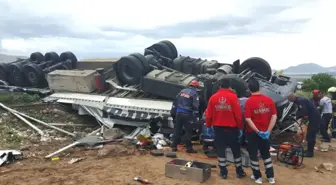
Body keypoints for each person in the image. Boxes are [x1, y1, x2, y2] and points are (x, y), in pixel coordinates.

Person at [206, 78, 246, 179]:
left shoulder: (213, 98)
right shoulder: (233, 97)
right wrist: (240, 127)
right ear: (230, 86)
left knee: (220, 149)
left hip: (218, 128)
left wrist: (208, 125)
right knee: (235, 149)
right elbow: (237, 115)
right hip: (232, 129)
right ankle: (239, 171)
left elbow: (209, 114)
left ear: (220, 86)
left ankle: (223, 172)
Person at [244, 78, 277, 184]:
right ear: (260, 87)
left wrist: (257, 131)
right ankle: (271, 177)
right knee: (266, 154)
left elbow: (248, 119)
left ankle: (258, 177)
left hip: (252, 133)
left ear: (249, 89)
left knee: (253, 155)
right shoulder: (268, 100)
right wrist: (268, 131)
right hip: (266, 133)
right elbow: (274, 116)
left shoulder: (249, 102)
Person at [287, 93, 321, 157]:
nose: (290, 101)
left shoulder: (300, 101)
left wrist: (297, 117)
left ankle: (310, 153)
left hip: (314, 118)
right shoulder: (300, 99)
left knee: (310, 135)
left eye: (290, 100)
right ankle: (309, 150)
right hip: (314, 117)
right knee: (310, 134)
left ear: (292, 98)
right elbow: (301, 110)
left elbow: (304, 111)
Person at [171, 80, 200, 153]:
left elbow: (175, 100)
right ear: (196, 87)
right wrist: (196, 114)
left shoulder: (182, 91)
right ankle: (189, 148)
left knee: (177, 130)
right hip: (187, 114)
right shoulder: (194, 93)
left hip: (178, 113)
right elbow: (195, 106)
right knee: (188, 131)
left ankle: (174, 146)